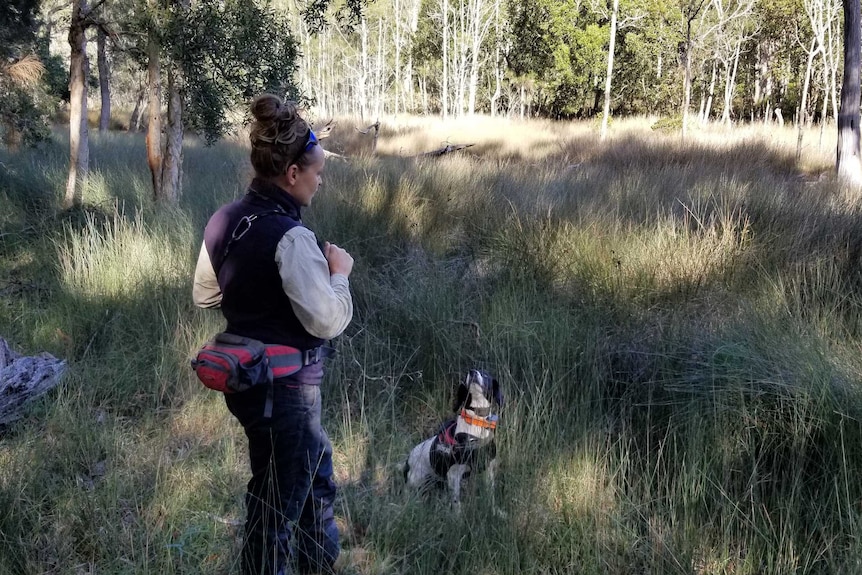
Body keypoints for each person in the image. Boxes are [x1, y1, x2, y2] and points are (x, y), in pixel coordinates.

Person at [193, 93, 354, 575]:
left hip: (248, 386)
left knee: (308, 482)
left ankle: (314, 566)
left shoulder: (224, 219)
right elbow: (327, 321)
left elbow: (206, 295)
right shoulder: (293, 237)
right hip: (289, 393)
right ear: (291, 175)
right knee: (276, 507)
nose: (319, 181)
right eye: (316, 173)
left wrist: (253, 298)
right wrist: (339, 273)